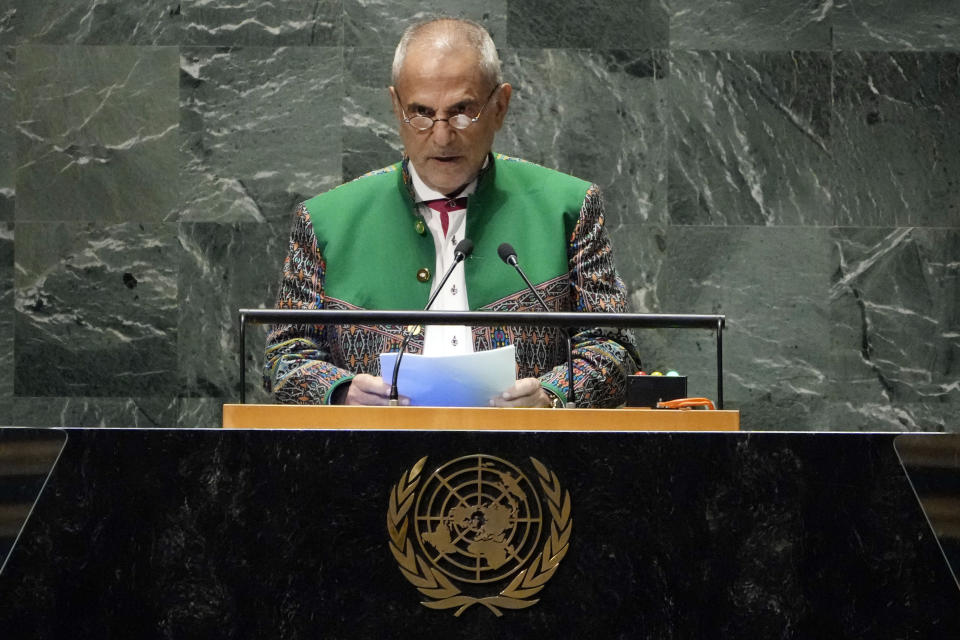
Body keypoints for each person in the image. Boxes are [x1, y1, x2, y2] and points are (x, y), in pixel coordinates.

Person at [264, 17, 638, 408]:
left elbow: (613, 345)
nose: (441, 136)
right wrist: (341, 392)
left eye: (462, 112)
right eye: (421, 113)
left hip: (526, 457)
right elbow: (286, 355)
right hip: (373, 456)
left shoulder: (569, 207)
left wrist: (552, 395)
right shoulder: (325, 221)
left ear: (500, 106)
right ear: (395, 107)